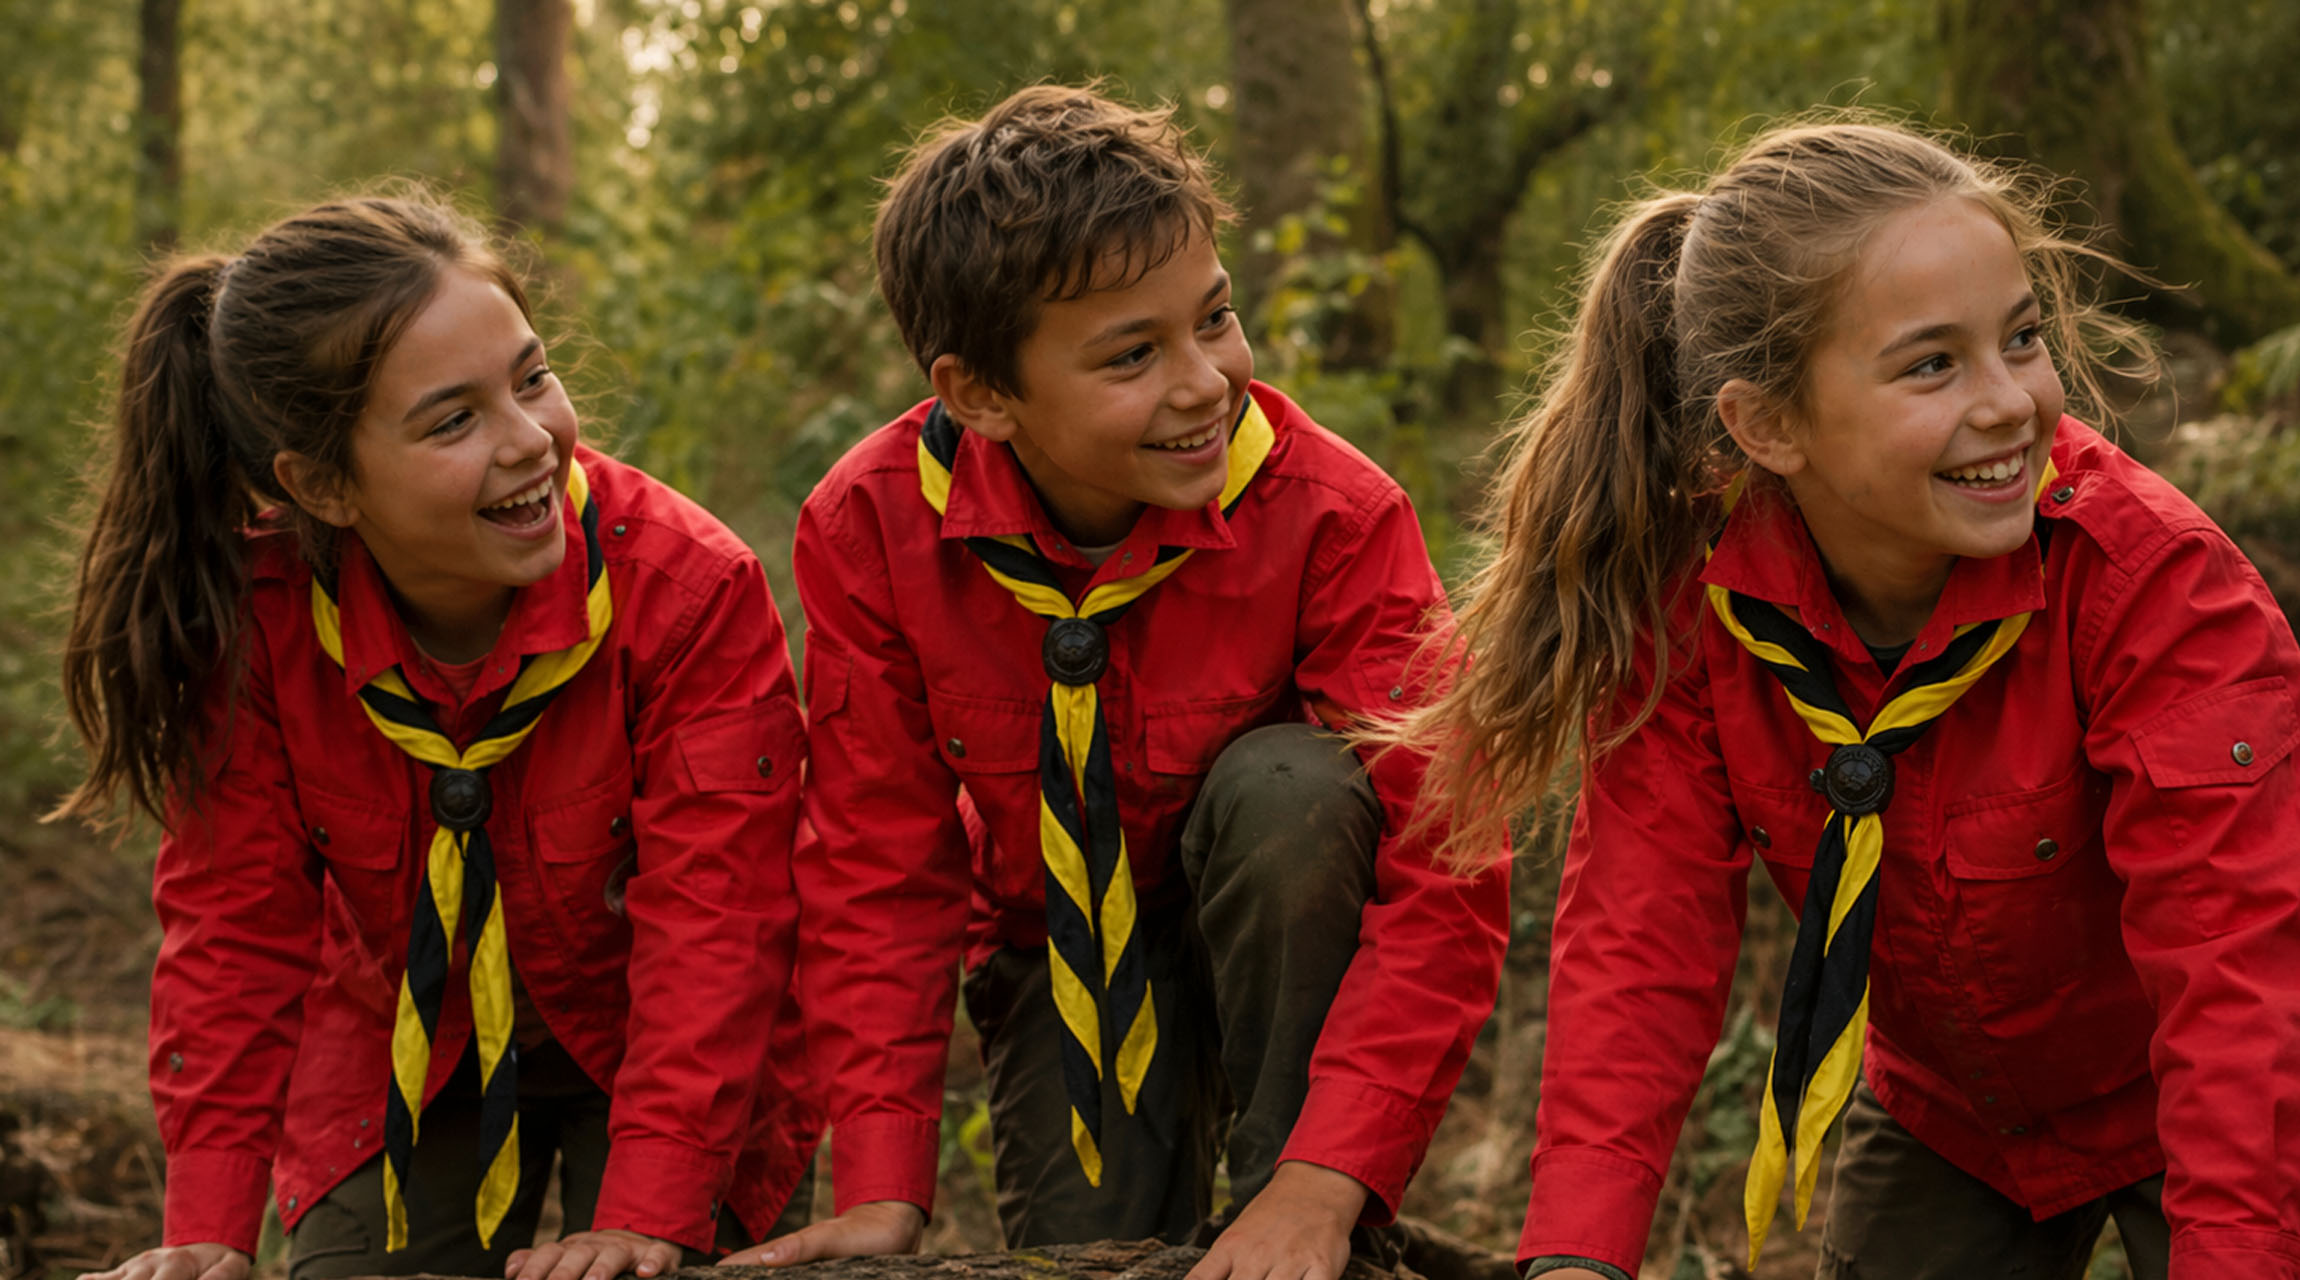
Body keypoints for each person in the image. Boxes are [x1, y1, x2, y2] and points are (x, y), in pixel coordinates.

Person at [1387, 117, 2300, 1280]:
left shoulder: (2156, 588)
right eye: (1931, 364)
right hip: (1956, 1111)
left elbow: (2234, 978)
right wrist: (1576, 1257)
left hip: (2221, 1092)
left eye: (2020, 338)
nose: (2009, 403)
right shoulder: (1700, 602)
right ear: (1766, 426)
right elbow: (1637, 940)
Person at [729, 85, 1510, 1280]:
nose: (1204, 382)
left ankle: (1305, 1211)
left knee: (1289, 788)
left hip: (1281, 940)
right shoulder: (869, 524)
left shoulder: (1332, 513)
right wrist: (882, 1182)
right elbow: (879, 861)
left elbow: (1447, 852)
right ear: (979, 394)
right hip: (1058, 954)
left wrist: (1319, 1182)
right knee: (1095, 1257)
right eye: (1132, 354)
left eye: (1216, 318)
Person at [52, 195, 818, 1280]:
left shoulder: (689, 590)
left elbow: (719, 924)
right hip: (404, 1041)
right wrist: (207, 1228)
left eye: (532, 378)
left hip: (681, 1044)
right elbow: (234, 928)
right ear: (321, 485)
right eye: (453, 421)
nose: (530, 440)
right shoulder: (261, 625)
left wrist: (646, 1212)